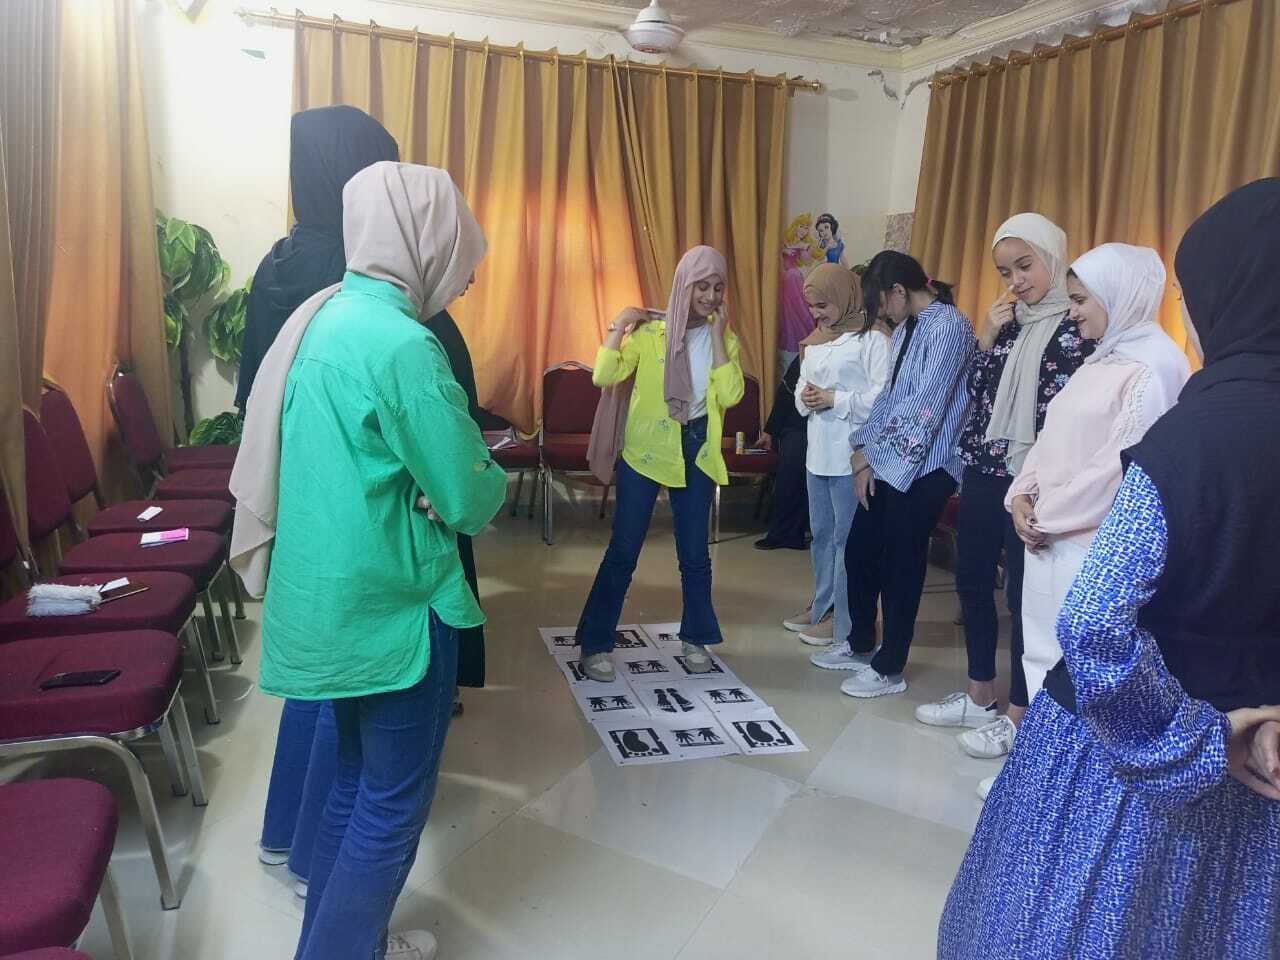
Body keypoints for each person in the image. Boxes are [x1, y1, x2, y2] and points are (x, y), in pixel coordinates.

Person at [939, 178, 1280, 960]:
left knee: (1089, 917)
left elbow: (1095, 622)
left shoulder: (1200, 426)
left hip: (1155, 743)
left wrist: (1189, 744)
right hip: (1262, 751)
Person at [230, 162, 504, 960]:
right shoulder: (404, 345)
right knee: (390, 808)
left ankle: (339, 943)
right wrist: (468, 476)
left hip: (332, 605)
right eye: (458, 249)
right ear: (422, 240)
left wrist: (435, 476)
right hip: (396, 612)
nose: (466, 273)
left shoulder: (322, 318)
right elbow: (468, 496)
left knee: (353, 780)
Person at [249, 106, 400, 880]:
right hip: (347, 506)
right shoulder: (351, 272)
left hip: (298, 491)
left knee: (311, 685)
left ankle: (286, 829)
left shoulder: (281, 258)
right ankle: (314, 855)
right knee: (338, 697)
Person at [916, 214, 1089, 765]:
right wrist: (987, 339)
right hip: (987, 468)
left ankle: (1019, 712)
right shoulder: (1009, 323)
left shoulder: (1078, 327)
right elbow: (978, 394)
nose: (1016, 280)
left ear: (1053, 259)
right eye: (1006, 271)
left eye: (1025, 265)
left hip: (1038, 480)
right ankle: (979, 692)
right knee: (971, 579)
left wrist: (1041, 483)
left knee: (1022, 597)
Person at [810, 251, 975, 698]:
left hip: (930, 464)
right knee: (861, 550)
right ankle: (861, 642)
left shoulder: (950, 327)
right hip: (890, 459)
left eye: (880, 303)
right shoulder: (906, 328)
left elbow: (926, 408)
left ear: (898, 291)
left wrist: (875, 462)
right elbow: (889, 399)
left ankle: (890, 668)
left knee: (902, 563)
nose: (881, 314)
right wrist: (863, 449)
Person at [579, 246, 745, 683]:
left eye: (718, 288)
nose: (710, 296)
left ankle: (696, 638)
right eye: (701, 286)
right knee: (624, 550)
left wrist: (718, 338)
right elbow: (603, 375)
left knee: (695, 554)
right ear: (683, 285)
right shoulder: (651, 335)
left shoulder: (724, 339)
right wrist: (619, 325)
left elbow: (731, 395)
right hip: (646, 450)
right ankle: (595, 642)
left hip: (697, 450)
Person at [783, 264, 889, 648]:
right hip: (818, 453)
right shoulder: (816, 340)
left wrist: (834, 399)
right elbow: (801, 387)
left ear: (844, 296)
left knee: (848, 541)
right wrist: (807, 398)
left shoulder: (873, 338)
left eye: (823, 305)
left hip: (853, 455)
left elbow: (883, 397)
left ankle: (844, 620)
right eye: (811, 306)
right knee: (822, 536)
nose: (816, 314)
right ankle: (822, 606)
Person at [753, 354, 809, 551]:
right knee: (790, 471)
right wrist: (770, 431)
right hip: (799, 426)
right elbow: (785, 393)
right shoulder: (808, 349)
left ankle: (801, 531)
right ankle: (784, 533)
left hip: (835, 426)